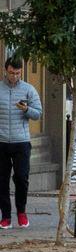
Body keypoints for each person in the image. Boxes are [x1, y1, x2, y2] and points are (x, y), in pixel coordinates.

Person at [0, 58, 41, 228]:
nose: (14, 76)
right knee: (1, 180)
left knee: (22, 178)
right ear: (5, 71)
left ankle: (21, 212)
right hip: (1, 141)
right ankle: (6, 216)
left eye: (17, 73)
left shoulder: (28, 90)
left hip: (21, 141)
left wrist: (26, 109)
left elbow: (38, 114)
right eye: (11, 73)